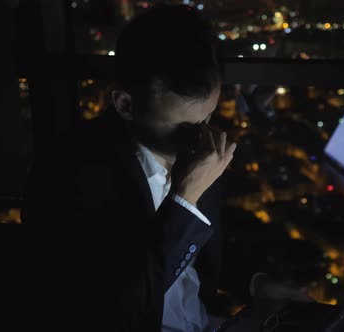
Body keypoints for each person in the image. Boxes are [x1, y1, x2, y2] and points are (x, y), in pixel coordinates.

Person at [21, 4, 309, 332]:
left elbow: (203, 251)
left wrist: (256, 283)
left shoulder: (192, 147)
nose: (199, 140)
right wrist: (184, 200)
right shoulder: (68, 176)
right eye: (182, 128)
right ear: (125, 104)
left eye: (207, 118)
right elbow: (115, 310)